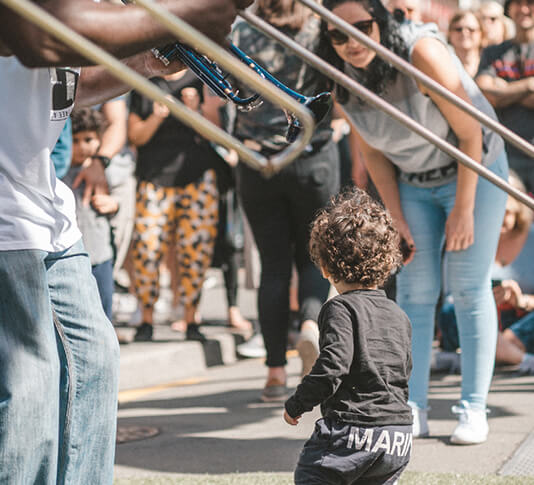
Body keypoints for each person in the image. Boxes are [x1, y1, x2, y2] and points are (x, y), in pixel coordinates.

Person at [0, 0, 252, 483]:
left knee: (95, 361)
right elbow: (41, 40)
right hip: (8, 222)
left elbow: (64, 90)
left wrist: (146, 64)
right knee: (31, 384)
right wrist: (182, 17)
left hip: (45, 212)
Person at [320, 0, 508, 445]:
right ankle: (412, 407)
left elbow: (470, 135)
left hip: (473, 169)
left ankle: (473, 408)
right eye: (338, 35)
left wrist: (463, 209)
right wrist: (397, 219)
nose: (351, 43)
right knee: (415, 293)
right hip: (412, 181)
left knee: (467, 286)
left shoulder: (420, 51)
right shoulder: (337, 70)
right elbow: (373, 151)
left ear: (380, 21)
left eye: (362, 28)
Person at [231, 0, 340, 402]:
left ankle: (275, 373)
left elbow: (222, 96)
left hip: (259, 160)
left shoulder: (241, 28)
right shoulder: (318, 27)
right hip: (314, 157)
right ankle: (310, 326)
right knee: (314, 257)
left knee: (273, 266)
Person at [284, 188, 412, 485]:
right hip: (398, 434)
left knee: (312, 475)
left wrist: (297, 403)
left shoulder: (339, 309)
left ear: (326, 267)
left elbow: (332, 367)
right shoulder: (398, 315)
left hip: (353, 430)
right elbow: (402, 373)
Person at [128, 70, 227, 342]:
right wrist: (157, 116)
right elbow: (135, 136)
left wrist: (194, 110)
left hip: (197, 176)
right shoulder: (146, 82)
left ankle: (191, 319)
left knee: (196, 250)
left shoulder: (200, 79)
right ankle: (146, 319)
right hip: (153, 177)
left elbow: (216, 132)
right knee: (147, 248)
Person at [436, 172, 534, 375]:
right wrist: (482, 299)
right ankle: (516, 357)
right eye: (491, 212)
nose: (497, 221)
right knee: (450, 312)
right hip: (476, 316)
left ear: (518, 210)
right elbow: (452, 296)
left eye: (504, 212)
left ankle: (496, 352)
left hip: (520, 321)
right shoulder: (465, 236)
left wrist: (520, 300)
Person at [63, 108, 118, 321]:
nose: (82, 147)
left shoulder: (102, 170)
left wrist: (112, 205)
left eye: (89, 139)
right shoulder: (59, 172)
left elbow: (115, 206)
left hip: (101, 254)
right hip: (73, 256)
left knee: (104, 313)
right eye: (75, 140)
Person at [476, 0, 534, 194]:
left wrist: (505, 90)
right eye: (518, 2)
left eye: (530, 3)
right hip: (505, 155)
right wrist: (528, 85)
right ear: (509, 8)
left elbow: (496, 95)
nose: (524, 9)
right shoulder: (494, 52)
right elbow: (487, 95)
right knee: (508, 221)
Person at [448, 10, 485, 78]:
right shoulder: (443, 65)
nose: (464, 33)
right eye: (458, 29)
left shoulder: (491, 66)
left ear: (481, 34)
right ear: (449, 33)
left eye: (471, 29)